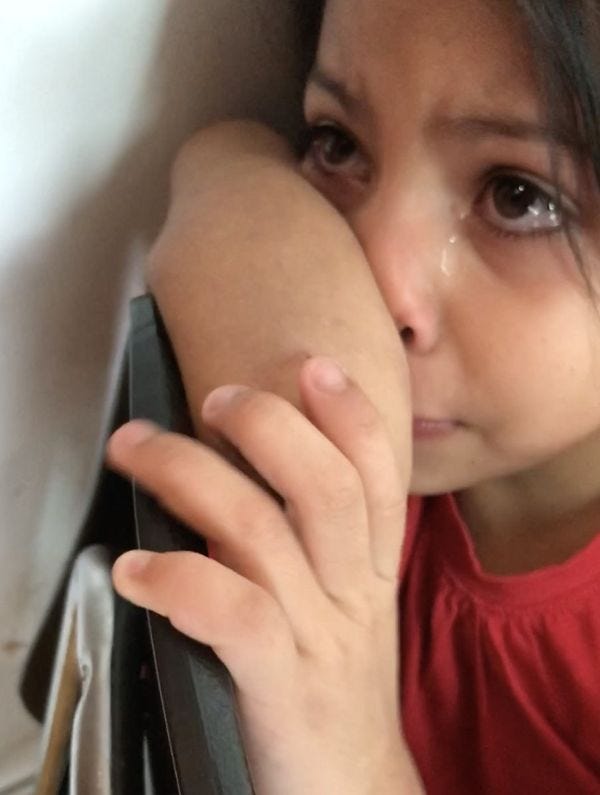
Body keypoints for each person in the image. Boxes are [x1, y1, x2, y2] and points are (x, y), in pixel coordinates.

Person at [106, 0, 600, 792]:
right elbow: (224, 161)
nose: (371, 269)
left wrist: (361, 759)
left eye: (519, 196)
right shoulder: (366, 455)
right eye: (337, 144)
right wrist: (232, 156)